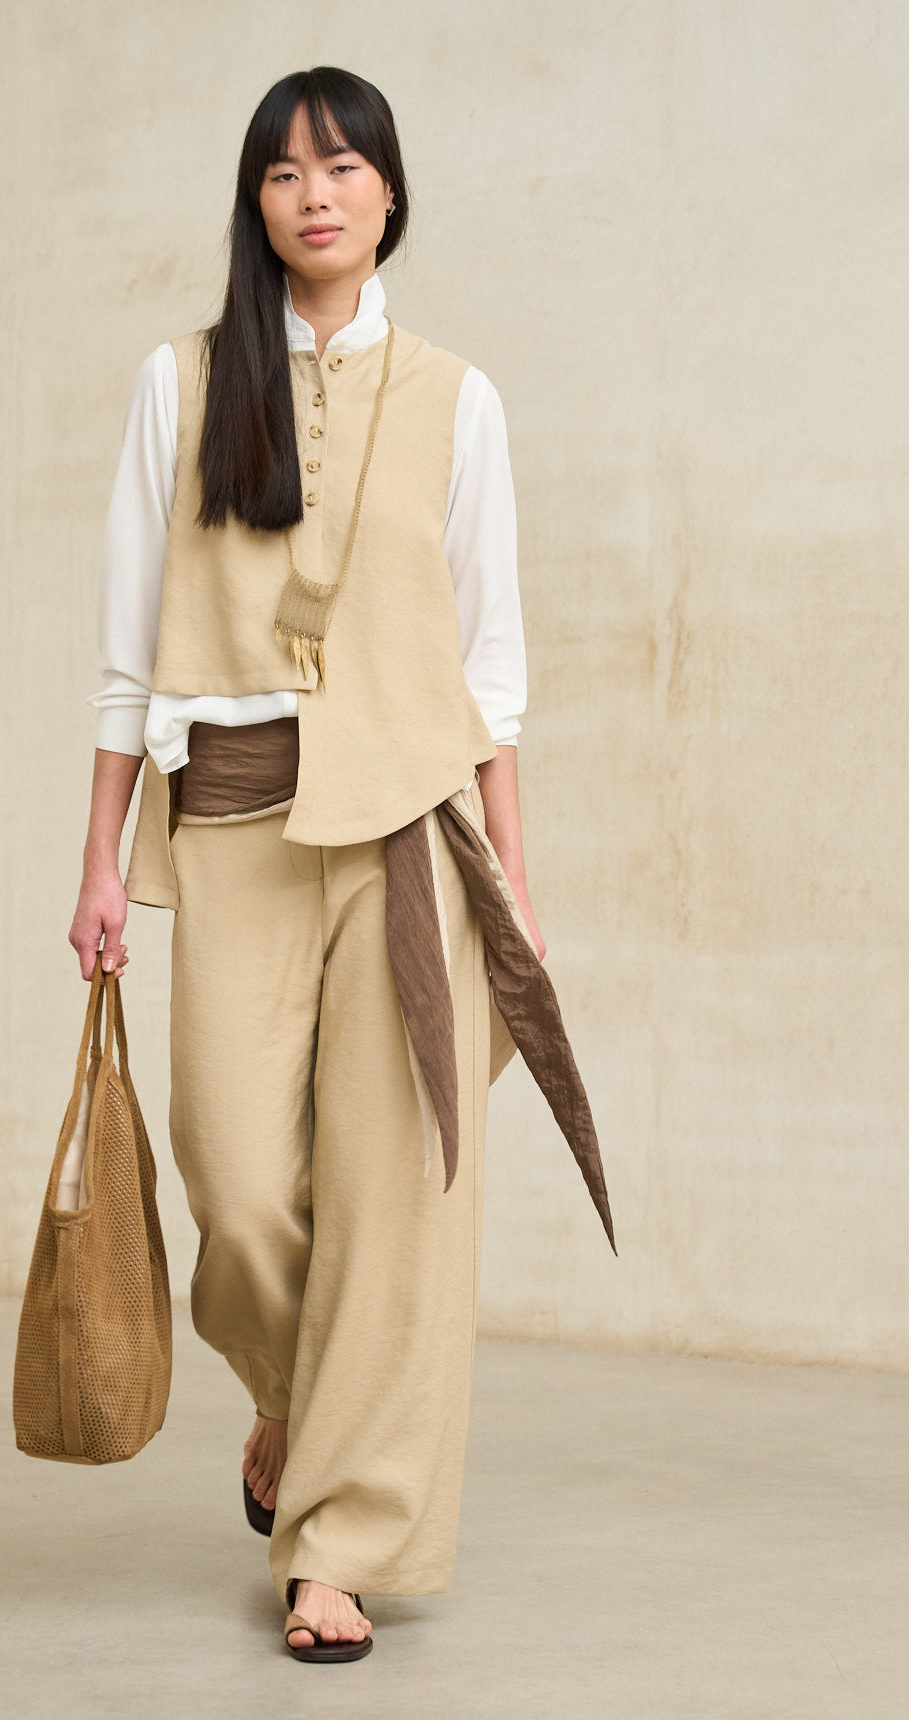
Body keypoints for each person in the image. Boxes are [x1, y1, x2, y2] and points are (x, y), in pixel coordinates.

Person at [69, 65, 613, 1664]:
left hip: (409, 843)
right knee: (238, 1188)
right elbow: (126, 655)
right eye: (286, 171)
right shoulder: (181, 384)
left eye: (346, 166)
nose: (318, 194)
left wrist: (517, 883)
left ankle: (339, 1551)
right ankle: (299, 1404)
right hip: (234, 825)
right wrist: (98, 862)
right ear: (256, 203)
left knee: (395, 1204)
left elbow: (492, 671)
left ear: (389, 193)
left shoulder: (459, 399)